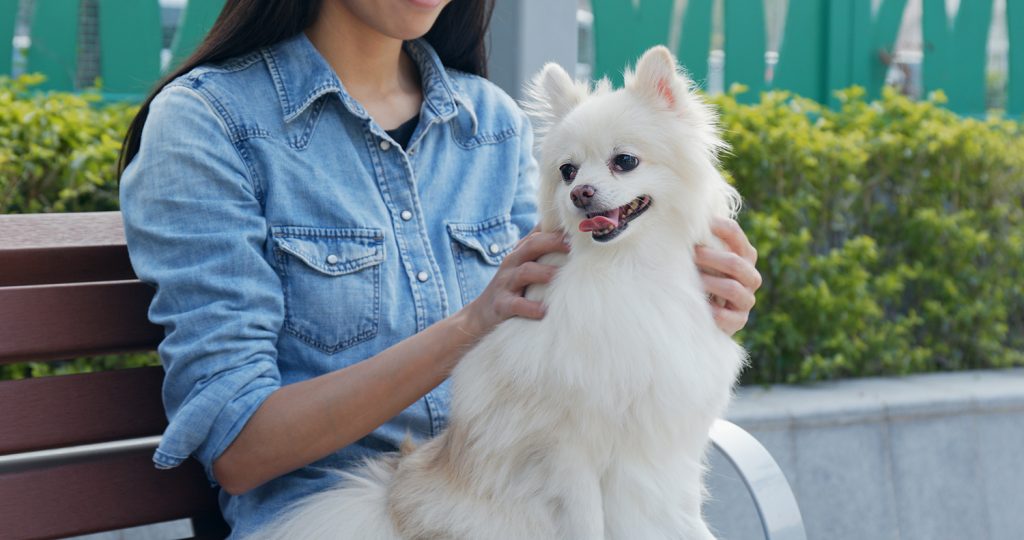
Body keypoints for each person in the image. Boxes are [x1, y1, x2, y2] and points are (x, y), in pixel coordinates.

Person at [118, 0, 762, 536]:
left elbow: (572, 354)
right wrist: (471, 325)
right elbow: (240, 449)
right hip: (338, 515)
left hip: (520, 505)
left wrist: (692, 310)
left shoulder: (494, 126)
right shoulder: (209, 123)